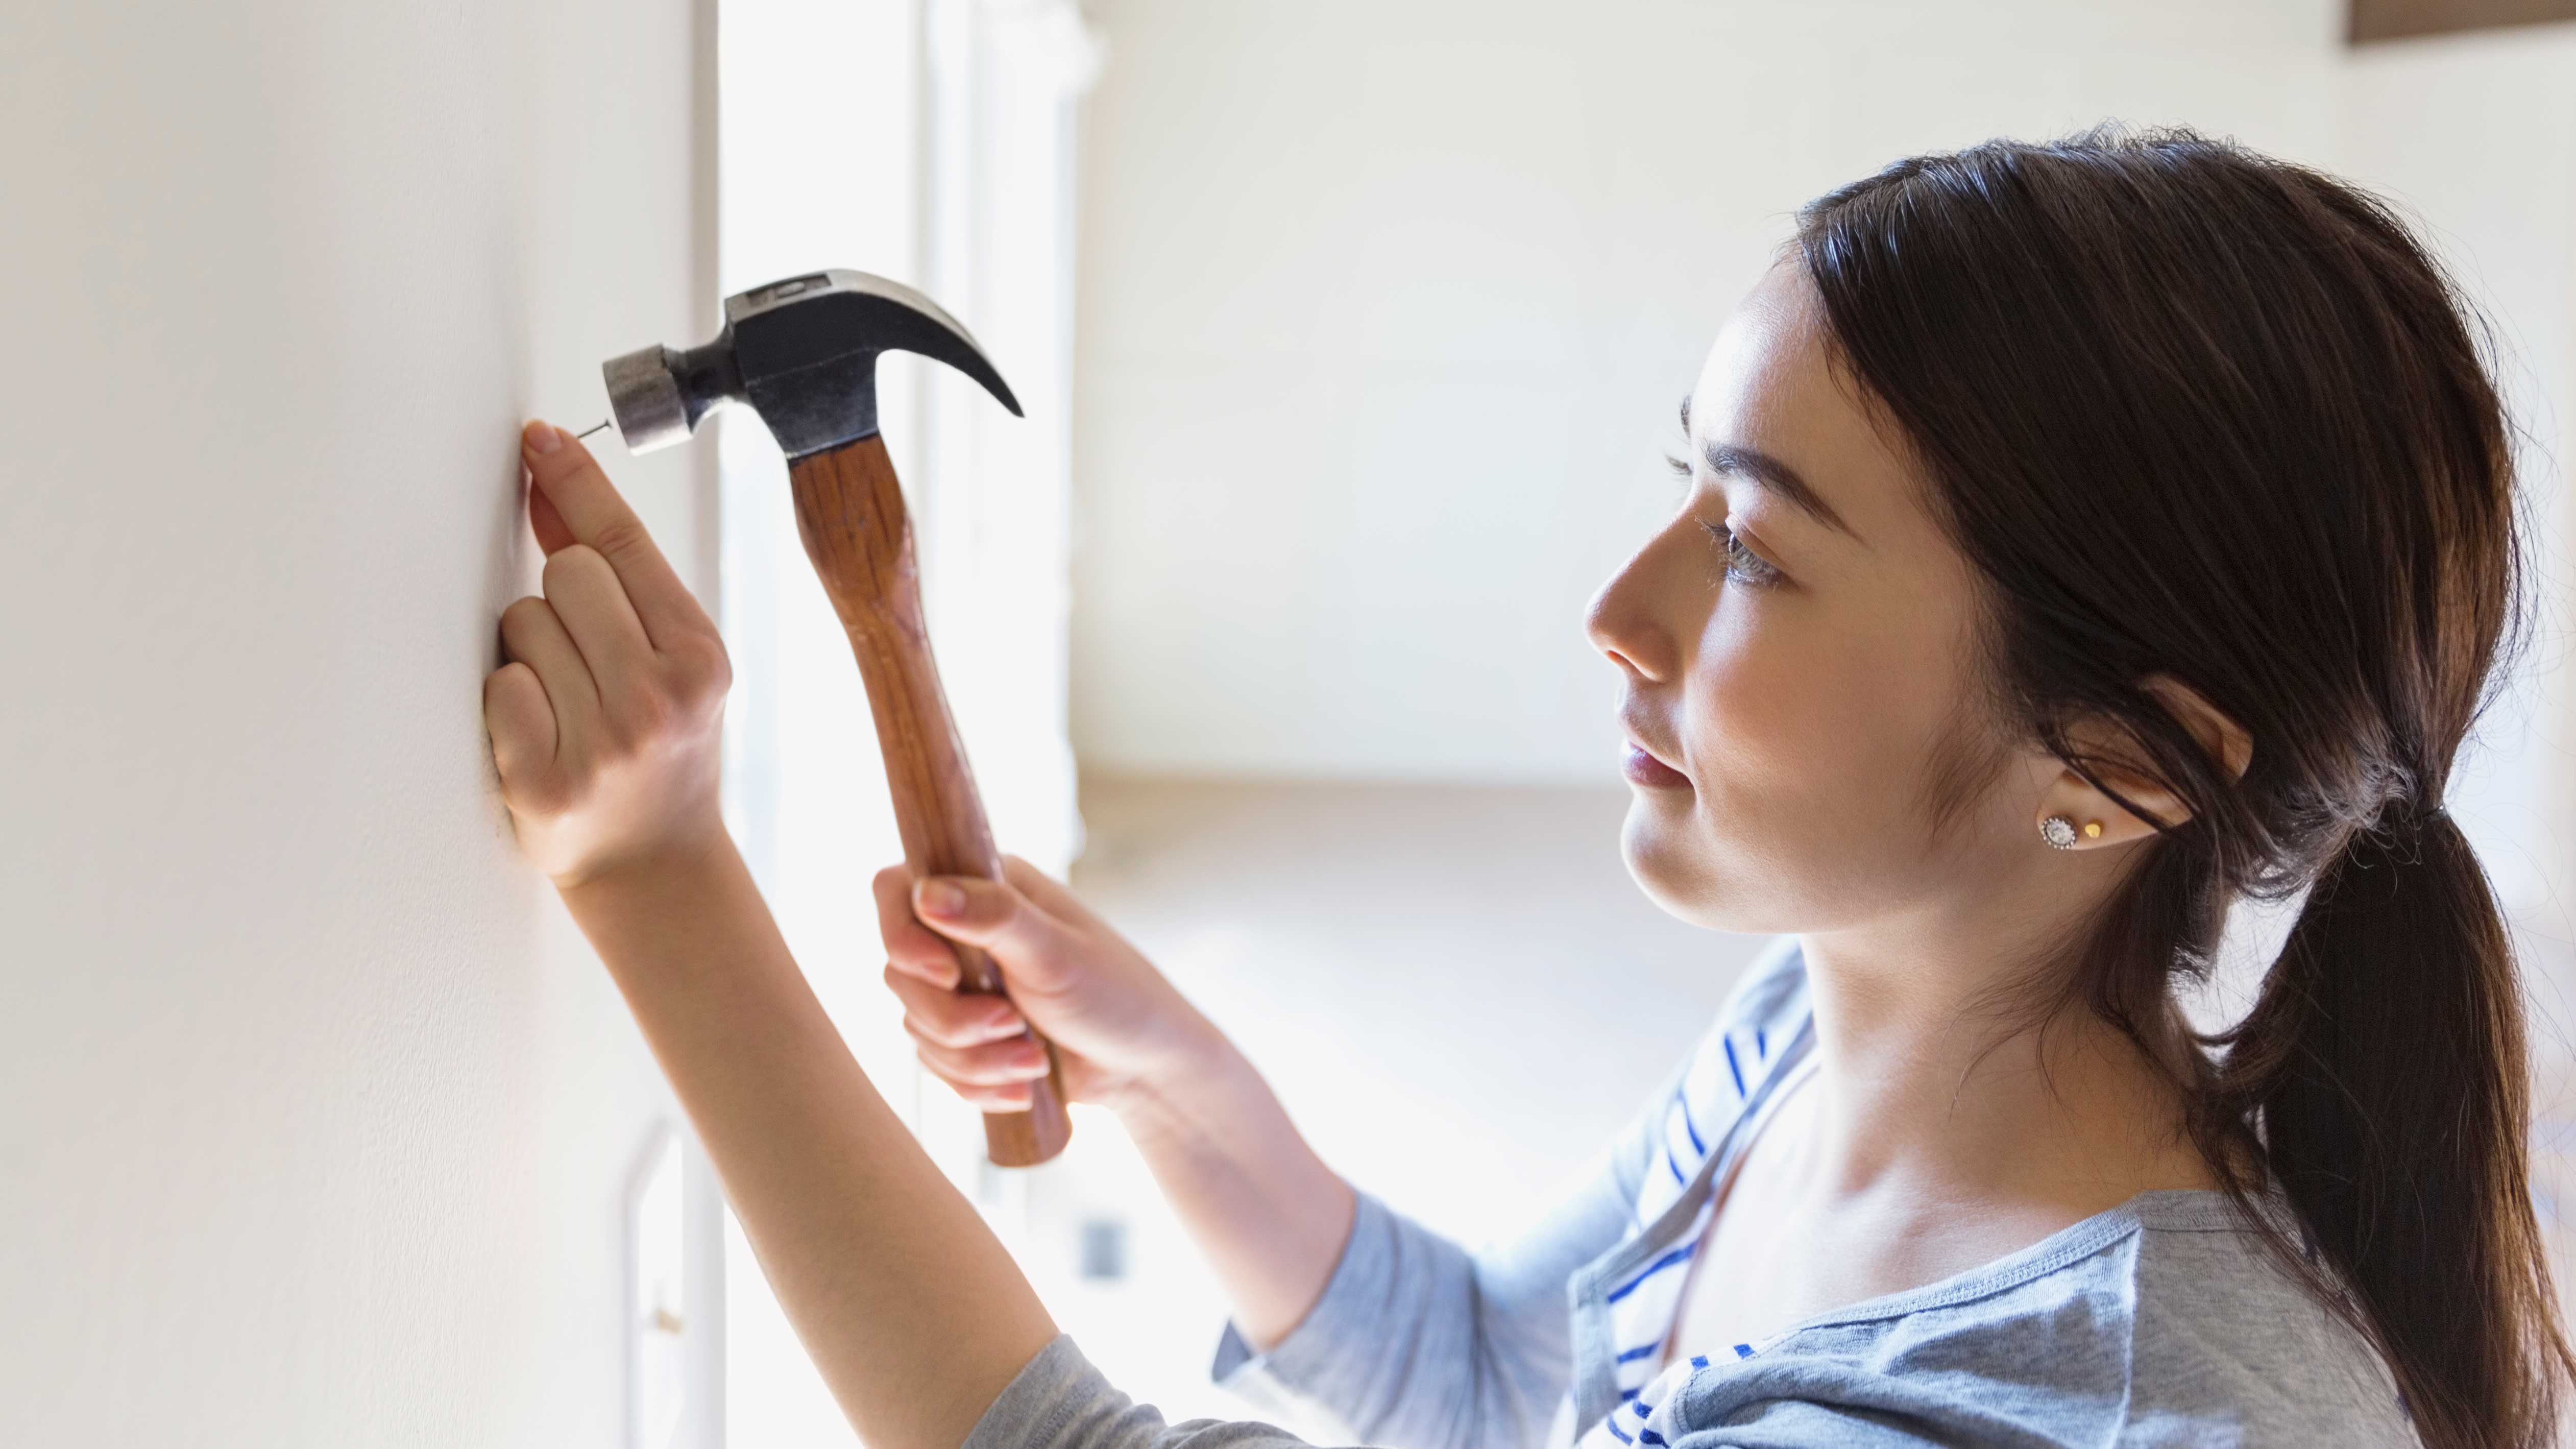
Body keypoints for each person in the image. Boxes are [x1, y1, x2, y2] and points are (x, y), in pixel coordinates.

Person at [482, 126, 2574, 1449]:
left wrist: (658, 874)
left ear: (2114, 762)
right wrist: (1177, 1080)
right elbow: (1509, 1379)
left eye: (1753, 546)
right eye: (1685, 483)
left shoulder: (2078, 1418)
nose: (1615, 608)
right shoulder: (1830, 1027)